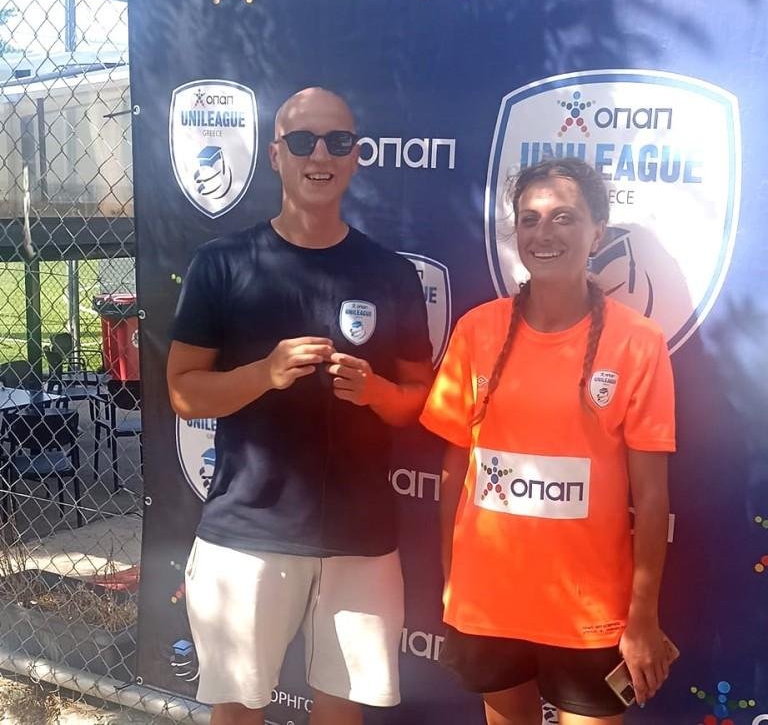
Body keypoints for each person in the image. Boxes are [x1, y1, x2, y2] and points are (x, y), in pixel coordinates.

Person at [166, 87, 433, 725]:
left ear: (357, 156)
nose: (321, 155)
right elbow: (183, 392)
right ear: (275, 155)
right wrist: (264, 373)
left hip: (360, 534)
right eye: (303, 140)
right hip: (248, 528)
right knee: (238, 709)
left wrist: (375, 392)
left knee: (341, 710)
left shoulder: (392, 274)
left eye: (337, 141)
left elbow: (417, 403)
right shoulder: (222, 263)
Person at [420, 158, 677, 724]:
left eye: (564, 217)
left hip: (589, 614)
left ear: (597, 233)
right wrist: (452, 579)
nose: (544, 233)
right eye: (530, 219)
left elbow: (652, 497)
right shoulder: (476, 330)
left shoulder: (638, 342)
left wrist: (642, 616)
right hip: (489, 602)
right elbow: (454, 470)